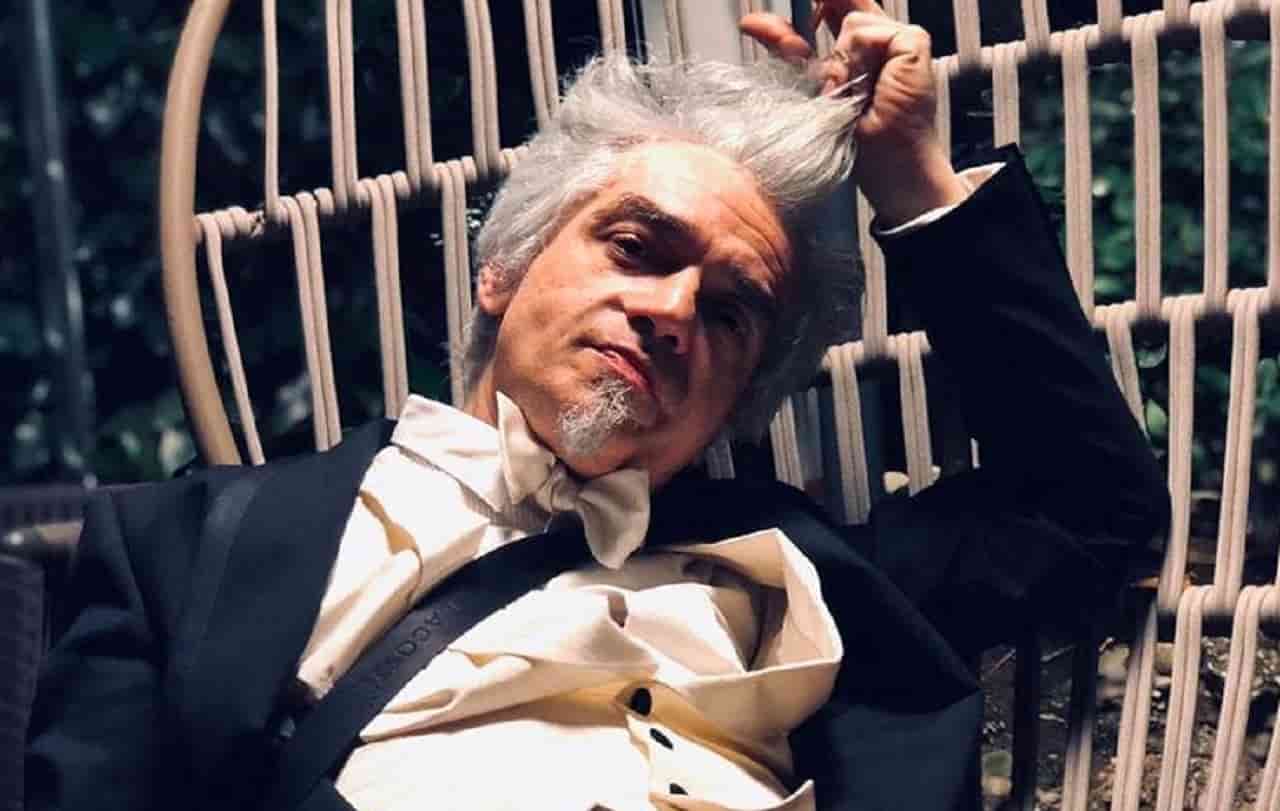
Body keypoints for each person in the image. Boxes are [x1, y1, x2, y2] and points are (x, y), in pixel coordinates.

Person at [25, 1, 1169, 809]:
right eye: (635, 245)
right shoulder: (185, 550)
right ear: (504, 267)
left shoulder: (801, 569)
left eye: (729, 311)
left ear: (733, 399)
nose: (672, 310)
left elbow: (1091, 515)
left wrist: (911, 179)